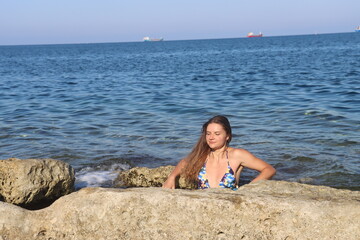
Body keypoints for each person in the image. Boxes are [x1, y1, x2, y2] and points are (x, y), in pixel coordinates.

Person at [162, 115, 276, 190]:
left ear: (227, 136)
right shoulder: (202, 156)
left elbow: (269, 170)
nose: (211, 137)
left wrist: (248, 189)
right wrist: (171, 177)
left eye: (217, 134)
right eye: (208, 133)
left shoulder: (237, 155)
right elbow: (183, 163)